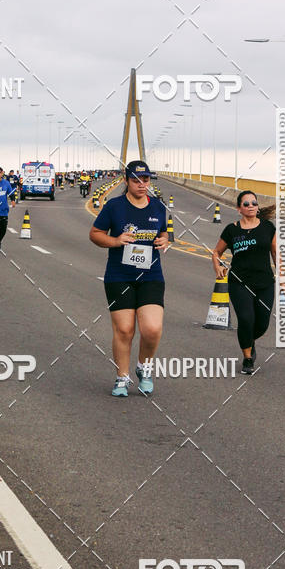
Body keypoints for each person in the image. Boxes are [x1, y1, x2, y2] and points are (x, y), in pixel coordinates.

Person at [89, 160, 169, 397]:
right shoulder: (114, 206)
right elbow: (95, 234)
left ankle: (144, 367)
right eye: (136, 180)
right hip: (119, 276)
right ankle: (122, 377)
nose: (142, 184)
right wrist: (115, 241)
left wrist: (164, 240)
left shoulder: (158, 206)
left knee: (152, 329)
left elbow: (163, 232)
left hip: (151, 275)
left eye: (145, 180)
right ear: (126, 181)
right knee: (124, 330)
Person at [211, 190, 278, 374]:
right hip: (239, 283)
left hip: (265, 283)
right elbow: (216, 252)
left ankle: (249, 340)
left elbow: (275, 252)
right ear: (239, 208)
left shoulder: (268, 227)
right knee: (246, 319)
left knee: (262, 324)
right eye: (246, 204)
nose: (251, 206)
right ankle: (248, 358)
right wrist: (217, 266)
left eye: (254, 203)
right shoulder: (231, 230)